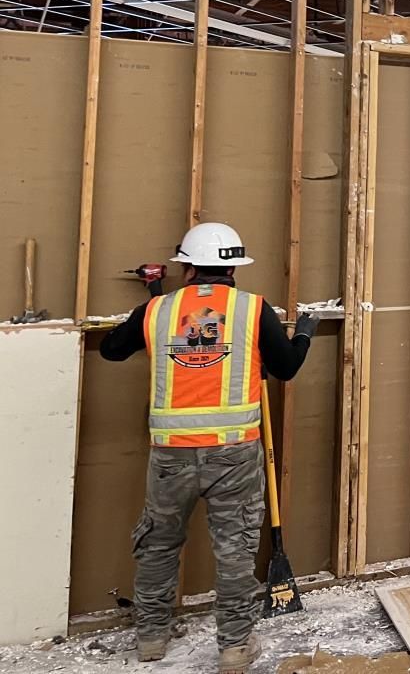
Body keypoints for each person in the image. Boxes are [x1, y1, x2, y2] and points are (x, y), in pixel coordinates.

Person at [101, 222, 317, 673]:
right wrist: (304, 334)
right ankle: (235, 646)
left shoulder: (158, 310)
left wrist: (153, 308)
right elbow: (286, 368)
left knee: (159, 545)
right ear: (234, 268)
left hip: (171, 455)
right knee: (234, 548)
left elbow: (112, 350)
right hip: (233, 453)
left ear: (187, 268)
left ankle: (151, 638)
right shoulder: (252, 309)